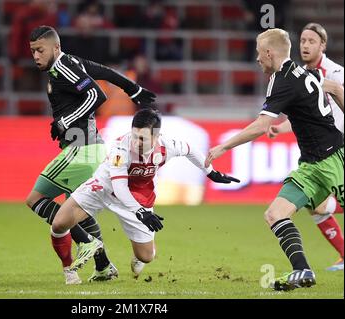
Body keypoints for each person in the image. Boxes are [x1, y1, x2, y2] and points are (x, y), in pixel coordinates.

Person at [205, 28, 344, 291]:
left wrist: (224, 146)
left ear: (269, 53)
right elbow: (336, 89)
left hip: (334, 161)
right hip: (312, 167)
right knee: (275, 214)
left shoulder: (282, 79)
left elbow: (261, 125)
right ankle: (302, 270)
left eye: (259, 53)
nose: (257, 59)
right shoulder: (305, 72)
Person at [26, 26, 156, 284]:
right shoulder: (72, 63)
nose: (36, 56)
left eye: (40, 50)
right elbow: (105, 72)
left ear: (56, 48)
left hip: (82, 150)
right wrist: (134, 90)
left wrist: (65, 121)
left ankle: (87, 243)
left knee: (35, 199)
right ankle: (104, 265)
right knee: (80, 212)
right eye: (32, 52)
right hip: (89, 150)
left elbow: (97, 94)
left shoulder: (64, 67)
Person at [50, 109, 240, 279]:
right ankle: (69, 269)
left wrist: (211, 173)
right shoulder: (120, 149)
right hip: (104, 187)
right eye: (134, 136)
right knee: (59, 224)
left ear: (156, 137)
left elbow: (190, 150)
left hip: (140, 195)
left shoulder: (167, 146)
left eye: (142, 139)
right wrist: (141, 212)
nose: (136, 142)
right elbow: (120, 187)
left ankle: (139, 256)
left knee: (146, 257)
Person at [268, 23, 344, 271]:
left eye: (312, 41)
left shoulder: (336, 74)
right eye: (302, 41)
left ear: (323, 45)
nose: (306, 45)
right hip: (319, 155)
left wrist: (338, 91)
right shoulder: (300, 75)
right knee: (315, 206)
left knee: (321, 205)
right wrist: (281, 127)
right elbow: (307, 115)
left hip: (338, 149)